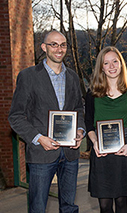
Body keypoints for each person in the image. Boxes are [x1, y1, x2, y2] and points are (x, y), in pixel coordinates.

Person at [8, 30, 85, 212]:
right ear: (44, 47)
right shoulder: (28, 76)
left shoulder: (73, 77)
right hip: (41, 154)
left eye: (63, 44)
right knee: (38, 207)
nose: (59, 49)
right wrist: (38, 138)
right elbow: (15, 116)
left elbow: (78, 109)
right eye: (54, 44)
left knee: (69, 207)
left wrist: (80, 130)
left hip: (70, 154)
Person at [85, 46, 127, 213]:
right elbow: (88, 122)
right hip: (101, 151)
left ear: (121, 64)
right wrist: (95, 142)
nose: (111, 66)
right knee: (104, 205)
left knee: (121, 203)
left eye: (115, 61)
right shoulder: (92, 93)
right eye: (106, 63)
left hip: (123, 149)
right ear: (101, 67)